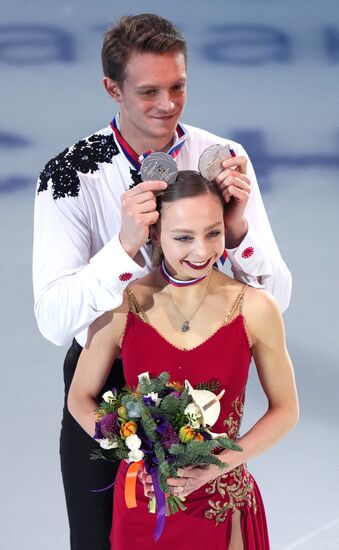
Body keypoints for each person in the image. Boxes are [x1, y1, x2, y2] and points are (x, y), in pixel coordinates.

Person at [32, 13, 292, 550]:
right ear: (112, 88)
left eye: (177, 87)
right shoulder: (70, 175)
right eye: (148, 90)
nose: (167, 104)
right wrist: (125, 248)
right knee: (98, 540)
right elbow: (56, 321)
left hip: (207, 382)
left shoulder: (221, 159)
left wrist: (239, 230)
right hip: (111, 388)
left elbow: (275, 300)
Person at [68, 170, 299, 550]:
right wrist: (135, 450)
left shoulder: (255, 307)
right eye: (183, 237)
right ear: (155, 235)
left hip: (221, 503)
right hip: (144, 504)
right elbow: (80, 398)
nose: (202, 251)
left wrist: (216, 466)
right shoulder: (122, 304)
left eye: (213, 233)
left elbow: (286, 410)